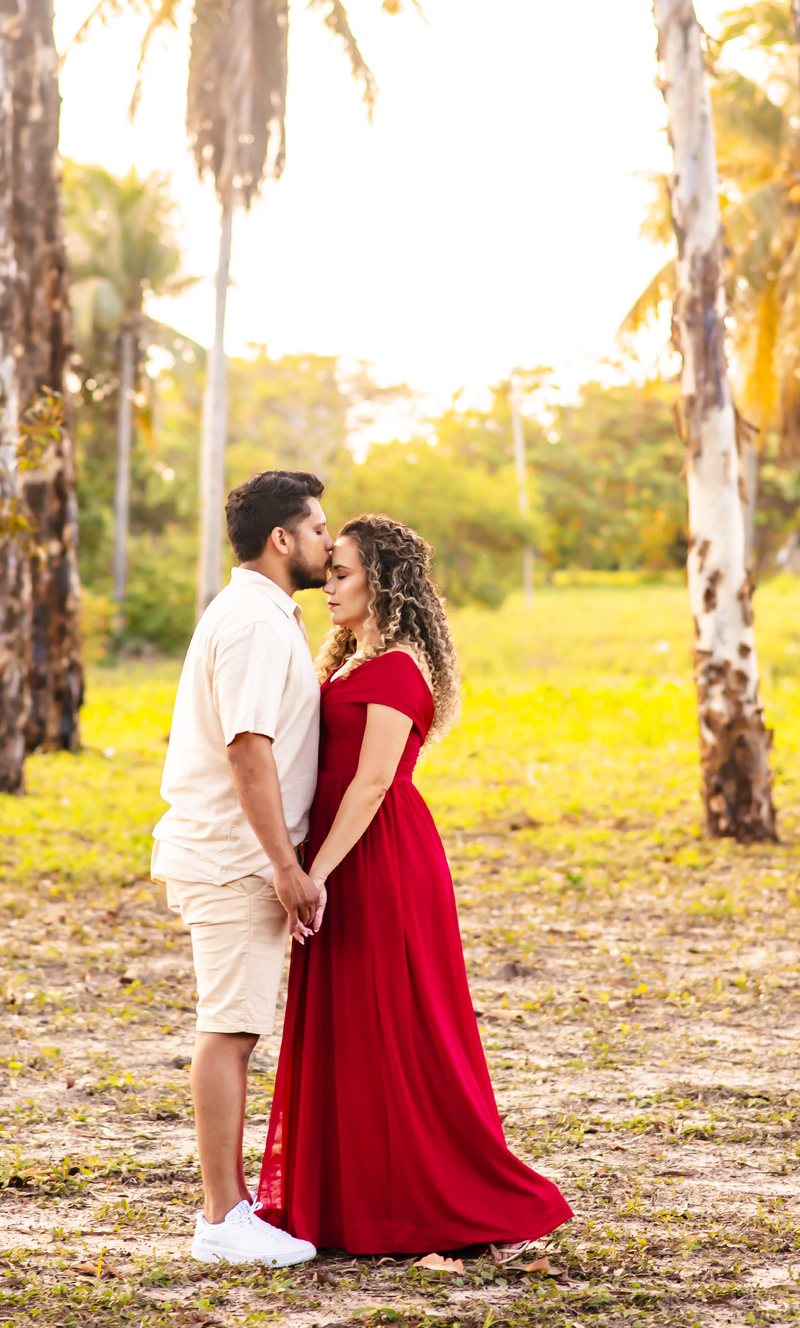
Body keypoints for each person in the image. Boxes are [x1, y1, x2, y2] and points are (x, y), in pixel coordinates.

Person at [255, 514, 572, 1257]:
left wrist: (314, 875)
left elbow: (370, 786)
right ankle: (344, 1200)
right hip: (340, 854)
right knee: (349, 1026)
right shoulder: (346, 662)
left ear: (383, 583)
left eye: (342, 573)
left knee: (394, 1023)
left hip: (377, 858)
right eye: (327, 570)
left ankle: (425, 1195)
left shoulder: (398, 666)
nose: (327, 586)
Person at [152, 470, 333, 1267]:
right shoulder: (255, 623)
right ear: (282, 539)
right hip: (233, 859)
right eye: (319, 529)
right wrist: (286, 867)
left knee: (237, 1029)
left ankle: (233, 1209)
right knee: (228, 1031)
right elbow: (246, 749)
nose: (330, 542)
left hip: (234, 855)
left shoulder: (264, 615)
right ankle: (222, 1220)